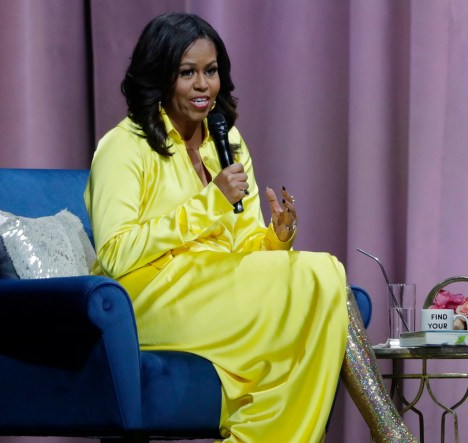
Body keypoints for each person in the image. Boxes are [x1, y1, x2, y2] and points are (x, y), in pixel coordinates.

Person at [84, 12, 417, 443]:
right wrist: (210, 203)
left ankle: (386, 433)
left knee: (322, 280)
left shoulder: (227, 141)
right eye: (188, 73)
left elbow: (242, 246)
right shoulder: (123, 146)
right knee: (324, 275)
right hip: (146, 299)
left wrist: (276, 238)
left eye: (211, 71)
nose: (204, 86)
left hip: (216, 287)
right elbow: (114, 253)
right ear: (160, 77)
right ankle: (391, 432)